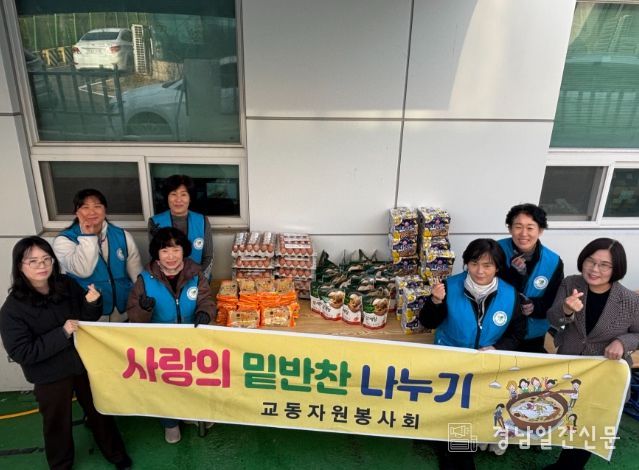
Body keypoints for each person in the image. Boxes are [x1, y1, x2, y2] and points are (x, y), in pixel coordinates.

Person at [0, 237, 132, 469]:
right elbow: (22, 352)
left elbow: (86, 319)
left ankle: (115, 453)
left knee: (99, 410)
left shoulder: (66, 284)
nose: (42, 266)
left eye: (46, 259)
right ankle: (60, 465)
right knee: (56, 423)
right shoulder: (12, 309)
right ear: (20, 266)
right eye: (33, 261)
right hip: (49, 375)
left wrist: (92, 303)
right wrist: (62, 333)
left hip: (83, 364)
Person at [419, 238, 525, 468]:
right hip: (449, 363)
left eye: (487, 265)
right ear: (466, 263)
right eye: (474, 263)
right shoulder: (449, 286)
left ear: (497, 268)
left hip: (485, 367)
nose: (480, 271)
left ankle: (456, 452)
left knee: (469, 411)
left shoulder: (510, 295)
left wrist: (497, 348)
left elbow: (518, 333)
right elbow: (427, 321)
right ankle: (455, 454)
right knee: (450, 408)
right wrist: (435, 301)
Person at [544, 238, 639, 470]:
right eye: (590, 261)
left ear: (616, 268)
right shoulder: (571, 283)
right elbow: (553, 318)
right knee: (567, 417)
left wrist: (622, 342)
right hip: (571, 366)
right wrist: (566, 309)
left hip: (606, 374)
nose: (595, 269)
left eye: (604, 265)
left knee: (590, 425)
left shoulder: (630, 300)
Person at [127, 227, 216, 444]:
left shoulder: (195, 274)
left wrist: (205, 312)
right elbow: (134, 316)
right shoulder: (144, 279)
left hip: (192, 341)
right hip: (160, 345)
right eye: (165, 251)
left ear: (183, 251)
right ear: (156, 254)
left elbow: (206, 299)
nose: (171, 256)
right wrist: (144, 309)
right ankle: (170, 423)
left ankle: (192, 415)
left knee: (194, 381)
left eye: (176, 250)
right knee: (164, 385)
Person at [53, 189, 142, 321]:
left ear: (105, 209)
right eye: (85, 207)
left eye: (97, 206)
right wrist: (88, 236)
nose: (92, 212)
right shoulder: (65, 240)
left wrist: (139, 305)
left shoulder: (122, 235)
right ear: (76, 212)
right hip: (89, 312)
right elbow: (83, 270)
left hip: (122, 310)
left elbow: (137, 276)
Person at [498, 203, 564, 352]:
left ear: (540, 230)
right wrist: (514, 273)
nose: (523, 233)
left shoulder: (553, 261)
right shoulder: (494, 250)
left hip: (532, 334)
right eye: (518, 227)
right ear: (510, 228)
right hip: (497, 330)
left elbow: (554, 300)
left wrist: (534, 307)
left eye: (530, 228)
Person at [148, 174, 213, 279]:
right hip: (166, 281)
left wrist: (196, 279)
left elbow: (208, 257)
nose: (178, 200)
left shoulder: (202, 221)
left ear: (190, 198)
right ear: (167, 197)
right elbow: (154, 257)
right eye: (173, 194)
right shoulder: (155, 222)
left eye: (183, 194)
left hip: (197, 279)